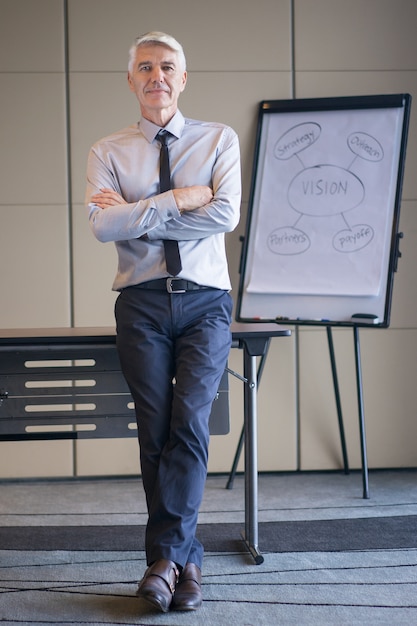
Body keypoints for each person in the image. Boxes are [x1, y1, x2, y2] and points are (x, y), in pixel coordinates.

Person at [86, 31, 241, 613]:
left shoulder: (218, 139)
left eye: (168, 67)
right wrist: (179, 200)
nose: (157, 76)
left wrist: (140, 218)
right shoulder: (108, 150)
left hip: (205, 302)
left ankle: (165, 561)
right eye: (145, 67)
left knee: (192, 422)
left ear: (183, 77)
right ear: (131, 81)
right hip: (143, 301)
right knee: (155, 431)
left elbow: (224, 213)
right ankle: (187, 563)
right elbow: (101, 228)